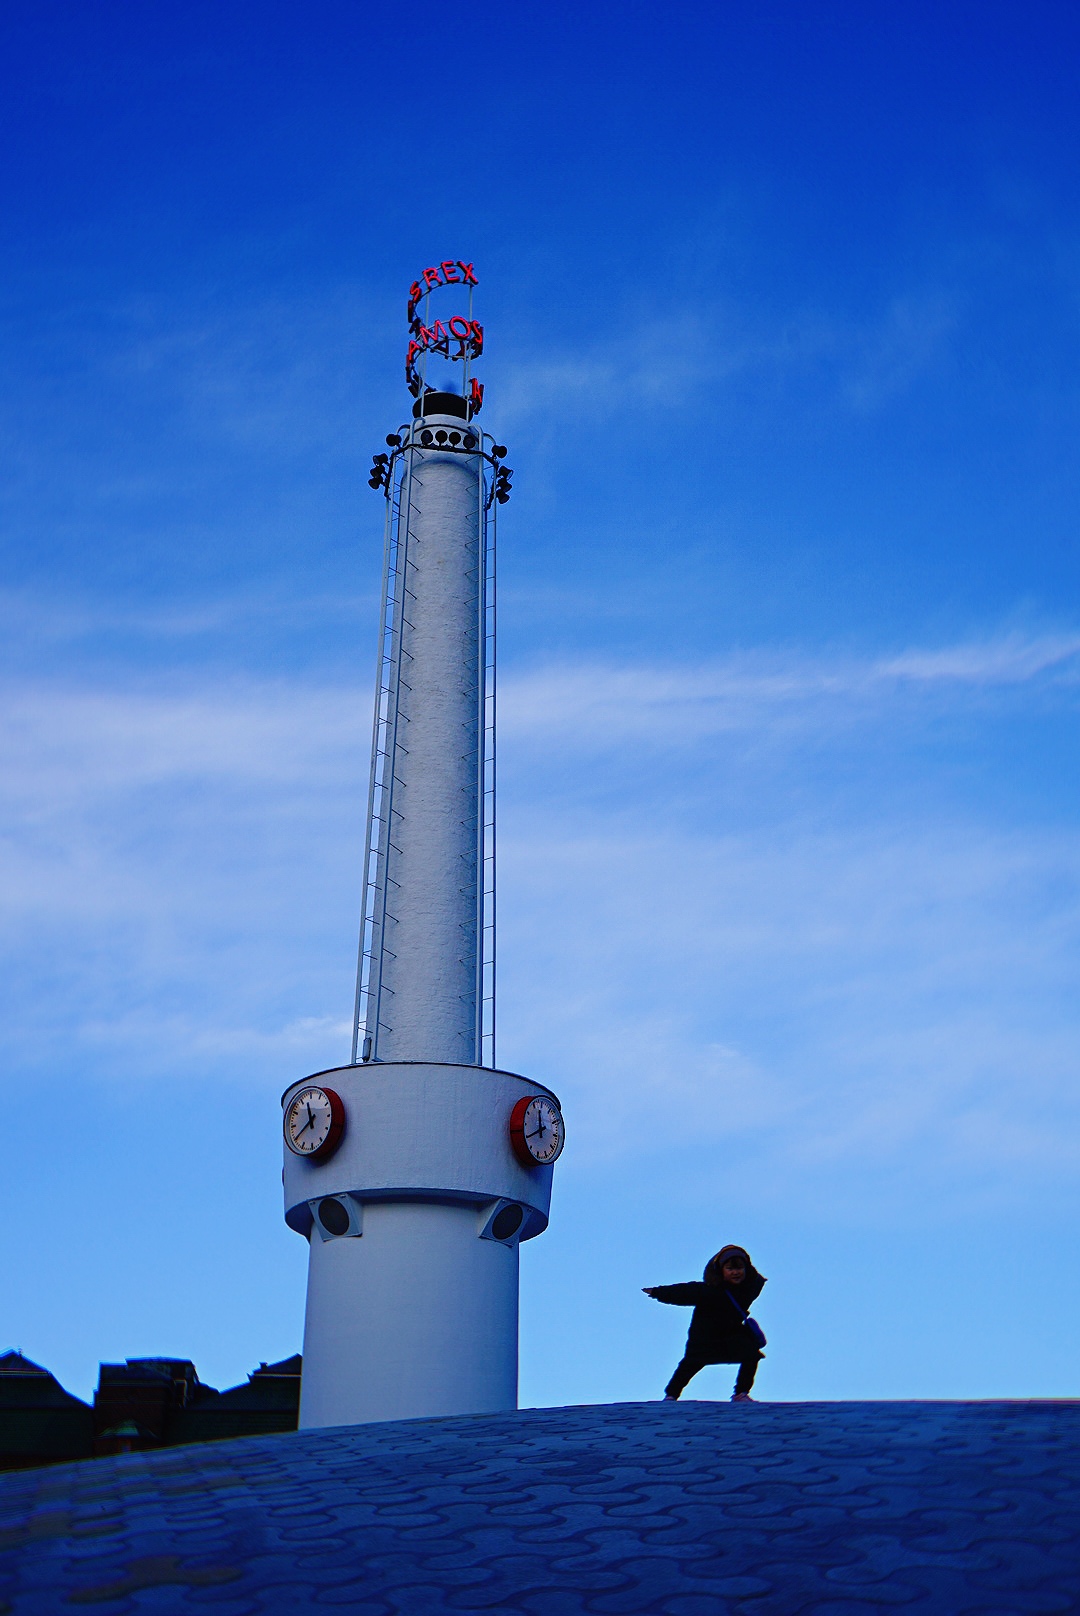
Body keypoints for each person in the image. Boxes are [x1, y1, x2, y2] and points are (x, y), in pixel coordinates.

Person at [643, 1244, 766, 1402]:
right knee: (689, 1365)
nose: (736, 1272)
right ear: (720, 1270)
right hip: (704, 1338)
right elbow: (682, 1292)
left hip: (731, 1335)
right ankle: (671, 1395)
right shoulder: (708, 1290)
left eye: (740, 1268)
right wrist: (657, 1292)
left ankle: (741, 1393)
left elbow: (756, 1282)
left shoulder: (747, 1289)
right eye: (730, 1268)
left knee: (751, 1355)